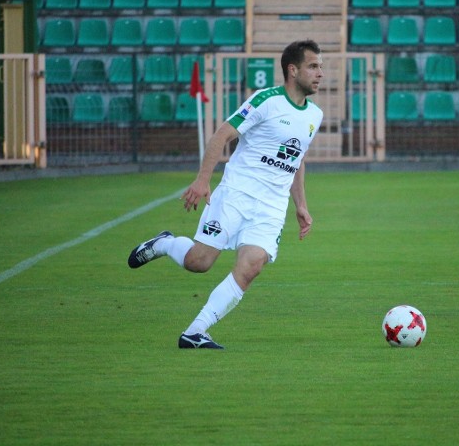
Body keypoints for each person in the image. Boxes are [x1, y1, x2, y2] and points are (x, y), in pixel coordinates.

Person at [127, 40, 324, 349]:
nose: (320, 73)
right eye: (313, 66)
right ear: (292, 69)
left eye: (320, 67)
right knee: (199, 262)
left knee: (252, 266)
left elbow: (297, 159)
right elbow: (223, 133)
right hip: (236, 194)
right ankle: (165, 244)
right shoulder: (266, 101)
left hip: (271, 207)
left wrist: (300, 204)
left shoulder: (314, 115)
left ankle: (195, 332)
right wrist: (203, 180)